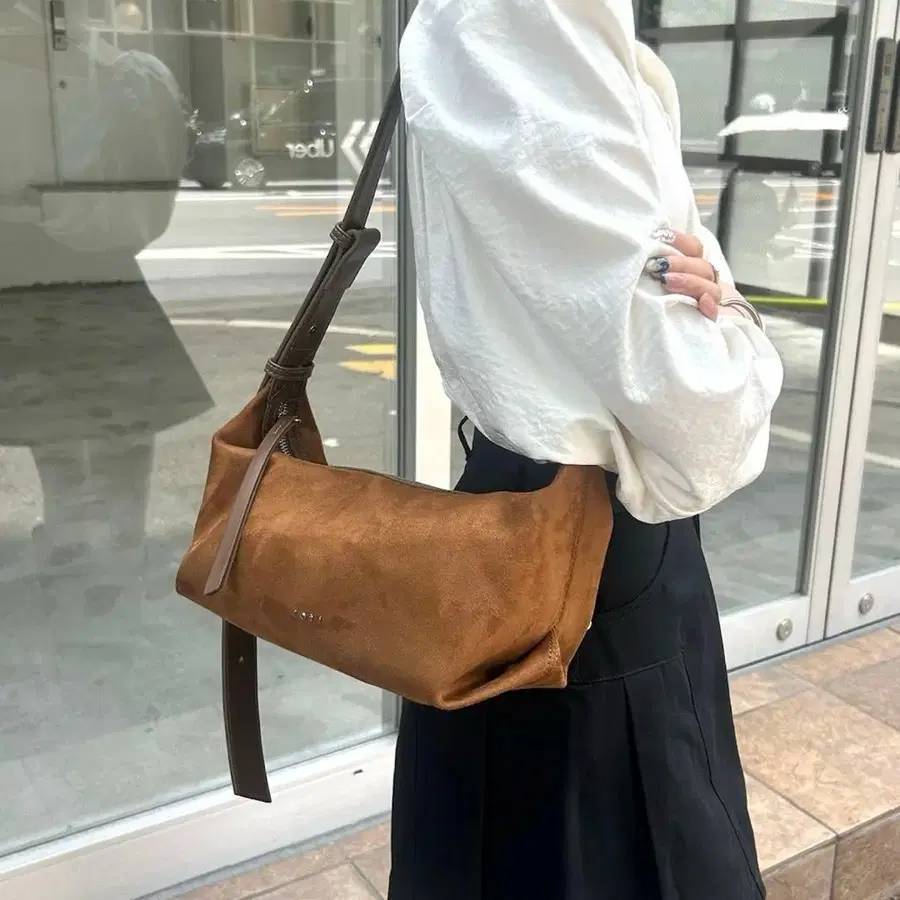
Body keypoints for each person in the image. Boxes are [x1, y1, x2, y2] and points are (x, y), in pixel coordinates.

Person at [389, 0, 784, 898]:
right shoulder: (532, 14)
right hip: (598, 551)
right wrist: (737, 325)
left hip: (536, 520)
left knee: (504, 849)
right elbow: (707, 423)